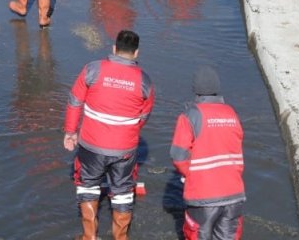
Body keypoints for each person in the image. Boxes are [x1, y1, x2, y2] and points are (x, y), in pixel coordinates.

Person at [64, 29, 155, 240]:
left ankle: (89, 236)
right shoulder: (144, 81)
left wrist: (70, 132)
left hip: (91, 146)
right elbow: (143, 116)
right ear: (136, 53)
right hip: (124, 149)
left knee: (87, 185)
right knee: (123, 192)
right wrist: (126, 132)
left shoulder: (92, 69)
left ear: (114, 49)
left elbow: (74, 101)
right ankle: (120, 237)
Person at [170, 66, 245, 240]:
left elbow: (178, 156)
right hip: (234, 193)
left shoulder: (190, 115)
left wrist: (190, 174)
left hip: (203, 196)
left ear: (195, 89)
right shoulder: (231, 113)